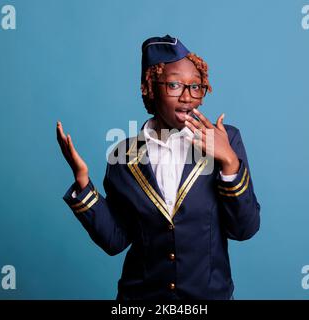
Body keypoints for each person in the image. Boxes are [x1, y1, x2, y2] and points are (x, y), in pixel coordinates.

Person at [56, 35, 260, 300]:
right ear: (150, 87)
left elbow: (244, 229)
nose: (188, 97)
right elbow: (115, 240)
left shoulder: (225, 139)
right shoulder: (123, 156)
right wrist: (83, 182)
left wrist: (230, 162)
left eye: (196, 86)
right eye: (175, 85)